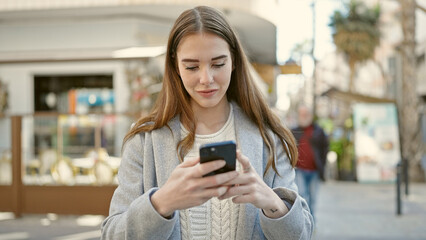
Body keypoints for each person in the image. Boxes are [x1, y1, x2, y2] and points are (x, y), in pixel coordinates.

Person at [101, 6, 313, 240]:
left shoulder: (268, 136)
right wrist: (162, 203)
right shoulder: (143, 141)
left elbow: (301, 235)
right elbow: (112, 234)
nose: (206, 79)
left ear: (234, 61)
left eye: (218, 64)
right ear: (176, 68)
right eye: (191, 66)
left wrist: (272, 203)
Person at [291, 105, 329, 219]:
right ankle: (304, 222)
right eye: (301, 114)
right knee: (302, 196)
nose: (303, 117)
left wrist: (322, 165)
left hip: (314, 171)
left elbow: (325, 148)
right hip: (299, 171)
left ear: (310, 116)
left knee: (312, 199)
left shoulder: (318, 131)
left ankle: (311, 223)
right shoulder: (294, 131)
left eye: (306, 114)